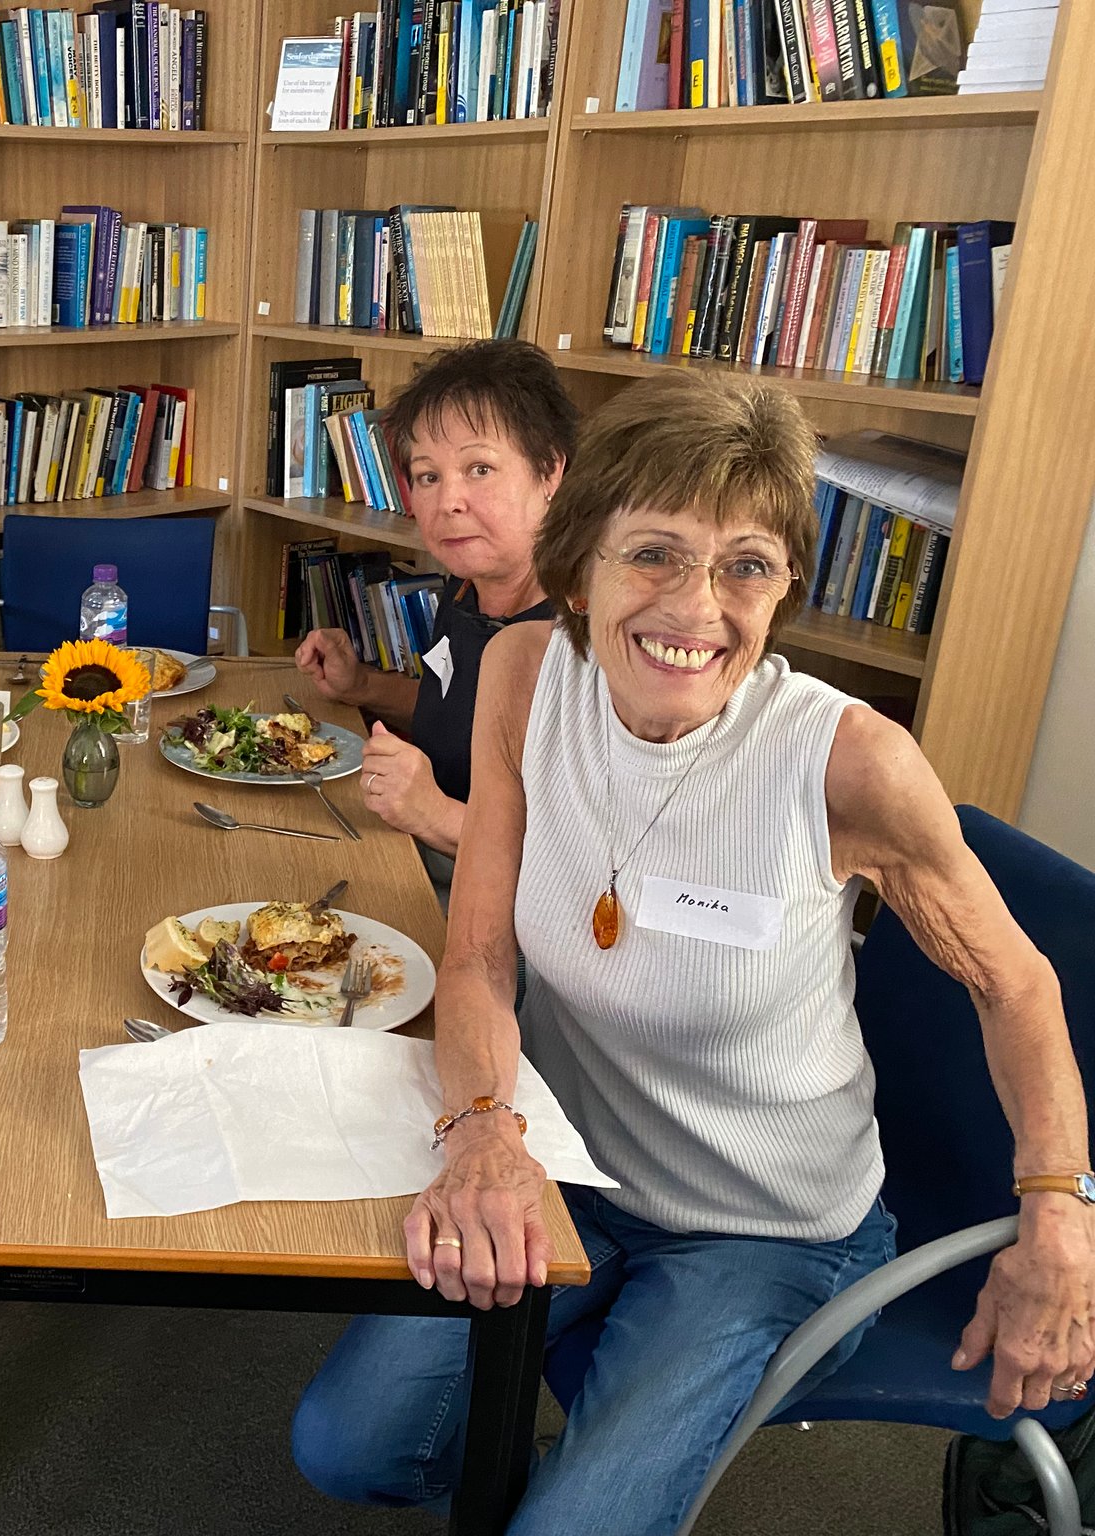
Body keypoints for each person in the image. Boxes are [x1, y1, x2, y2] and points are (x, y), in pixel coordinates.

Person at [290, 372, 1095, 1533]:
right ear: (579, 565)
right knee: (346, 1446)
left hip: (759, 1226)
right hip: (565, 1158)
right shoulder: (523, 677)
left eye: (744, 566)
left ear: (781, 590)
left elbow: (1012, 981)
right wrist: (481, 1133)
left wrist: (1059, 1218)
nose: (695, 608)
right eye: (653, 554)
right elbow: (477, 962)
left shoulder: (845, 764)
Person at [294, 339, 576, 859]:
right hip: (412, 852)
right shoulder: (466, 590)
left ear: (549, 472)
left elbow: (575, 861)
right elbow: (450, 711)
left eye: (480, 469)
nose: (448, 502)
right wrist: (361, 686)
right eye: (428, 476)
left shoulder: (581, 640)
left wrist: (435, 814)